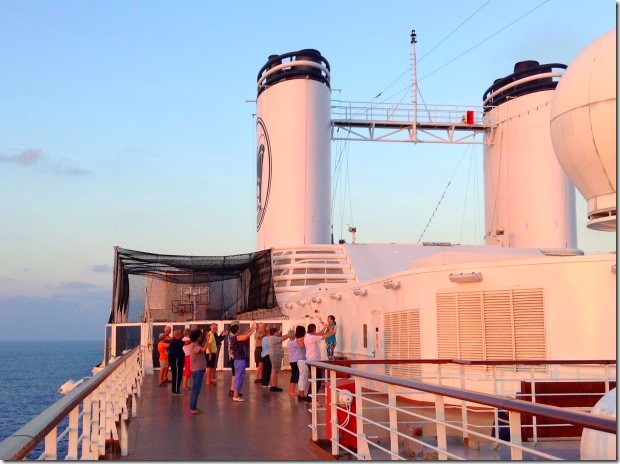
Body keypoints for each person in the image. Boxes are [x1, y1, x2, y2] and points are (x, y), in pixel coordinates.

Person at [302, 322, 336, 402]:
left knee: (315, 379)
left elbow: (319, 334)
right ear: (314, 329)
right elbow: (323, 337)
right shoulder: (311, 338)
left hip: (311, 360)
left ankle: (309, 397)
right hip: (314, 361)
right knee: (317, 380)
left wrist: (325, 328)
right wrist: (332, 332)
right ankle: (311, 398)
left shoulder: (307, 335)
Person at [229, 322, 256, 402]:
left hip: (238, 360)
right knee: (239, 378)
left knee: (239, 377)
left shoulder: (235, 337)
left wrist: (250, 329)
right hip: (239, 360)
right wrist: (253, 330)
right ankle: (236, 396)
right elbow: (245, 337)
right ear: (237, 330)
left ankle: (236, 394)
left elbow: (244, 334)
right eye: (239, 329)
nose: (240, 330)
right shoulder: (236, 338)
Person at [189, 328, 208, 414]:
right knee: (196, 389)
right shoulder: (194, 346)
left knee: (197, 388)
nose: (201, 337)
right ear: (197, 337)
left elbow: (202, 347)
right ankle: (193, 408)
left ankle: (194, 407)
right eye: (200, 336)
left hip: (199, 369)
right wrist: (208, 340)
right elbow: (203, 349)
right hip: (197, 370)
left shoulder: (196, 345)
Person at [266, 326, 289, 392]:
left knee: (275, 371)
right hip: (275, 356)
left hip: (275, 356)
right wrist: (289, 335)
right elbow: (282, 339)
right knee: (274, 371)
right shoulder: (273, 338)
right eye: (276, 332)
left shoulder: (272, 337)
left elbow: (280, 337)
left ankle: (274, 385)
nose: (278, 333)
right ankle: (273, 386)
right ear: (274, 332)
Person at [287, 326, 306, 397]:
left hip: (292, 360)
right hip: (295, 360)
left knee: (295, 375)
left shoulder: (289, 342)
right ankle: (291, 391)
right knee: (295, 376)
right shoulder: (294, 342)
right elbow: (302, 345)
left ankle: (291, 390)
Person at [167, 329, 185, 395]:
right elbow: (186, 343)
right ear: (177, 335)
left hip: (177, 361)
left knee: (177, 375)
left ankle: (176, 390)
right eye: (180, 334)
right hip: (176, 362)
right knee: (177, 375)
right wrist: (193, 339)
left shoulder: (175, 341)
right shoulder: (175, 341)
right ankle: (176, 390)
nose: (181, 335)